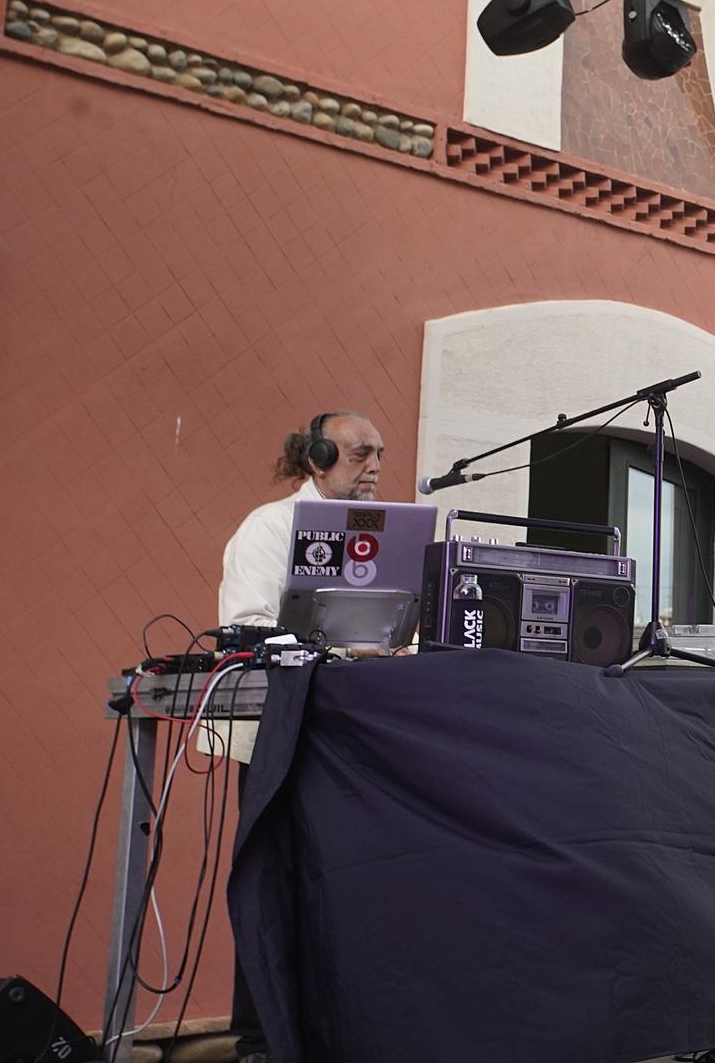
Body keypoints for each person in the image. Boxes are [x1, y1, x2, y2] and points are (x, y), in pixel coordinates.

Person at [216, 410, 386, 1063]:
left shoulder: (376, 531)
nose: (373, 465)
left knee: (339, 885)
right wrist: (340, 650)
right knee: (274, 884)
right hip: (278, 735)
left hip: (349, 738)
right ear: (317, 456)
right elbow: (248, 625)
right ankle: (262, 1040)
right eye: (359, 452)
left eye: (379, 453)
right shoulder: (268, 528)